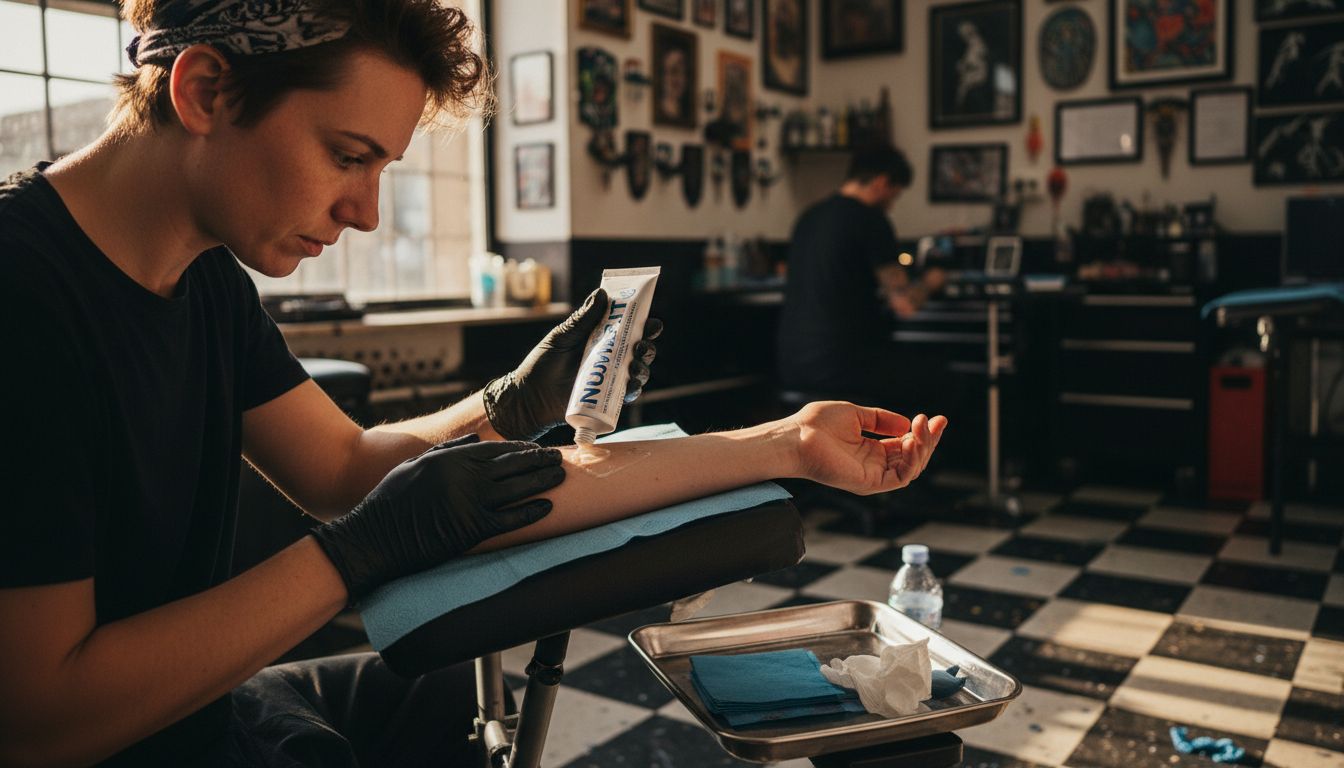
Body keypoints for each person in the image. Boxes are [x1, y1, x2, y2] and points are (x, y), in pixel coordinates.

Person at [0, 1, 949, 767]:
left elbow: (345, 468)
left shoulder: (203, 275)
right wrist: (353, 556)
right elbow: (44, 720)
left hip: (205, 716)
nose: (367, 214)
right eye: (347, 155)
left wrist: (774, 442)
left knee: (450, 694)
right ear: (205, 89)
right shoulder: (24, 299)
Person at [776, 145, 947, 408]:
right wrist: (931, 282)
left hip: (792, 364)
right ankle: (912, 450)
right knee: (942, 379)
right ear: (881, 183)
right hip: (843, 366)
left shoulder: (808, 217)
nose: (891, 205)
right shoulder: (870, 220)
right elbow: (904, 304)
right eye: (894, 195)